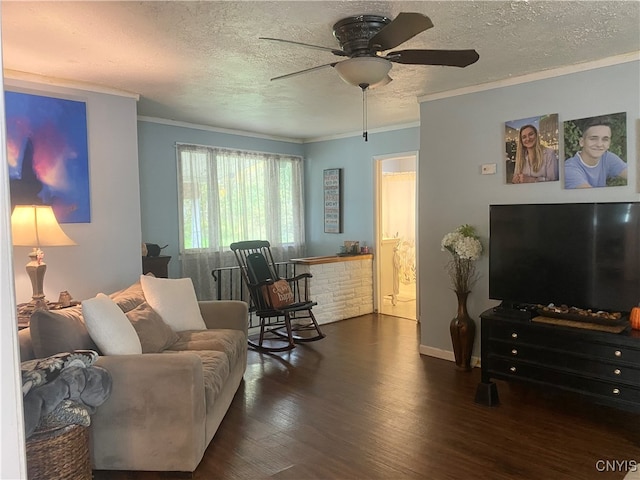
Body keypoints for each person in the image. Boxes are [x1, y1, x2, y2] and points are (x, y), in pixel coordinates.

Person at [564, 118, 627, 189]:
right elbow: (591, 197)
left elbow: (634, 175)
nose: (599, 144)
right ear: (582, 142)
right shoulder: (569, 168)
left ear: (609, 144)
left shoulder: (607, 157)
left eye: (605, 139)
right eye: (593, 138)